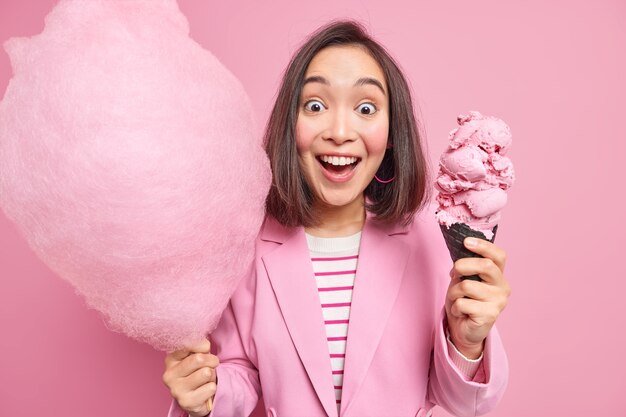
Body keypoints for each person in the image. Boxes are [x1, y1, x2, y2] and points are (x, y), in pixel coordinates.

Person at [163, 20, 510, 417]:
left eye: (366, 108)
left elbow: (463, 406)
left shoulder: (431, 241)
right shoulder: (248, 247)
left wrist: (467, 345)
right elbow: (242, 370)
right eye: (315, 105)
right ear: (290, 127)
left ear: (391, 134)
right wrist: (206, 393)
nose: (340, 131)